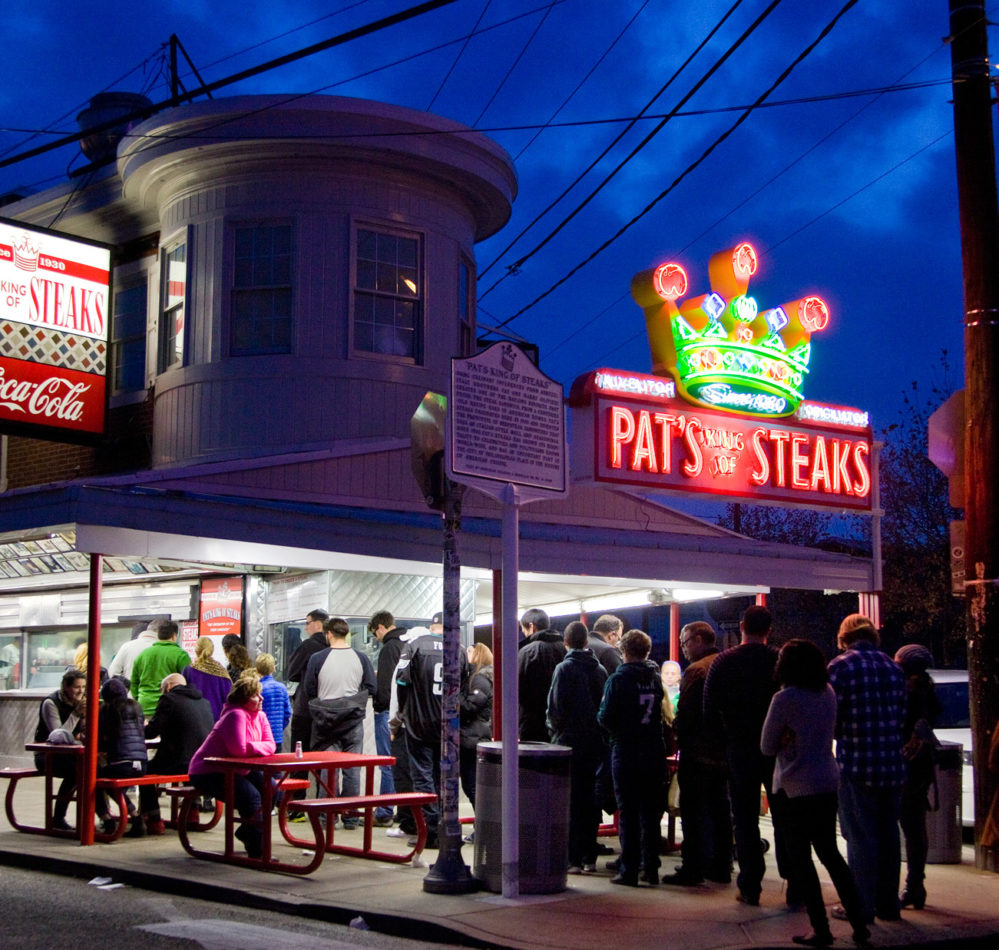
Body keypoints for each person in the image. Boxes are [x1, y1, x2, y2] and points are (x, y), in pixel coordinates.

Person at [762, 639, 871, 949]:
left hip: (794, 787)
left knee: (802, 861)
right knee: (832, 856)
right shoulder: (828, 693)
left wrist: (785, 738)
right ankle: (859, 923)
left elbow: (766, 746)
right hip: (826, 780)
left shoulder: (784, 699)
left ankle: (820, 929)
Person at [827, 614, 906, 925]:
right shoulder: (893, 666)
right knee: (889, 836)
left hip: (858, 762)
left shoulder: (840, 666)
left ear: (844, 637)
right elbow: (901, 714)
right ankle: (888, 904)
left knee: (860, 836)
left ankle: (861, 905)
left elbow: (832, 715)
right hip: (892, 763)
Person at [702, 604, 783, 906]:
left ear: (741, 627)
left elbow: (708, 711)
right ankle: (794, 877)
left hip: (740, 747)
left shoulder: (724, 661)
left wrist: (723, 743)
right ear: (769, 630)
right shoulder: (778, 659)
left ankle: (750, 884)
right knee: (783, 816)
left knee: (745, 817)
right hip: (775, 749)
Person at [663, 621, 732, 887]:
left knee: (693, 812)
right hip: (723, 753)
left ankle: (692, 869)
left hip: (698, 752)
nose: (683, 648)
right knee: (720, 810)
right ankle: (721, 865)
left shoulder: (697, 671)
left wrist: (677, 736)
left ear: (700, 639)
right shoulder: (726, 663)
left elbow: (687, 714)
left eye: (686, 641)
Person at [598, 629, 667, 887]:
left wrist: (616, 732)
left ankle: (628, 869)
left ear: (623, 651)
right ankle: (651, 868)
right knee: (651, 812)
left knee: (628, 811)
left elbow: (604, 716)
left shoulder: (618, 679)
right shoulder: (655, 678)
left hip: (626, 750)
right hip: (653, 750)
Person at [188, 671, 276, 859]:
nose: (261, 698)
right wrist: (257, 747)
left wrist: (251, 746)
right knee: (251, 797)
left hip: (238, 769)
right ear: (243, 698)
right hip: (208, 771)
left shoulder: (260, 716)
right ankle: (256, 848)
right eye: (255, 695)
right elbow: (239, 750)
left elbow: (272, 745)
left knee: (273, 790)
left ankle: (247, 831)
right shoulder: (235, 715)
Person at [395, 622, 468, 849]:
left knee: (422, 776)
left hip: (419, 722)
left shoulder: (415, 646)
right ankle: (447, 827)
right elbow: (464, 685)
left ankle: (431, 831)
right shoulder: (460, 649)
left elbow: (401, 680)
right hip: (447, 723)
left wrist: (403, 710)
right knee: (444, 777)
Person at [303, 617, 376, 829]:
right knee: (352, 769)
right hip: (353, 721)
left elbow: (309, 689)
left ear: (328, 634)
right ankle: (351, 817)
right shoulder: (361, 658)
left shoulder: (318, 658)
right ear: (346, 634)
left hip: (326, 721)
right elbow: (372, 687)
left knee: (329, 769)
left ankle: (328, 816)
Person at [547, 620, 607, 874]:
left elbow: (555, 708)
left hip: (568, 743)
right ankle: (589, 856)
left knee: (569, 800)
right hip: (594, 744)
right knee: (590, 799)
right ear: (586, 642)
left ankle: (572, 858)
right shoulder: (601, 670)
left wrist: (554, 730)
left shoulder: (563, 669)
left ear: (566, 642)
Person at [132, 671, 213, 837]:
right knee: (185, 763)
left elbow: (151, 732)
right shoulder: (204, 702)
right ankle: (192, 812)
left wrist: (141, 727)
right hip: (201, 763)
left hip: (178, 762)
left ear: (168, 687)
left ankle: (154, 819)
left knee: (144, 772)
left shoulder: (169, 700)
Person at [894, 643, 941, 911]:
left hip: (904, 763)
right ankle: (915, 884)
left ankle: (909, 887)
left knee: (900, 825)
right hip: (921, 766)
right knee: (915, 828)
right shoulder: (928, 690)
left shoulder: (908, 691)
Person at [33, 669, 86, 831]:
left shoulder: (83, 701)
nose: (81, 691)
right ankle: (58, 817)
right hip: (46, 755)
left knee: (95, 769)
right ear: (65, 686)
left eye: (83, 687)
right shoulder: (51, 703)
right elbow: (58, 735)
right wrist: (77, 714)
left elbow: (84, 732)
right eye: (77, 687)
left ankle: (104, 815)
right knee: (76, 773)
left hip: (72, 753)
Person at [369, 610, 407, 827]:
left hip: (387, 714)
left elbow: (384, 687)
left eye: (375, 633)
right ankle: (402, 812)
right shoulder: (407, 645)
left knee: (386, 763)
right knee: (401, 764)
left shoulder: (388, 649)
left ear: (381, 627)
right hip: (406, 714)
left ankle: (384, 811)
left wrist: (379, 707)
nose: (376, 637)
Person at [95, 676, 148, 833]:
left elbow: (100, 737)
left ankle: (107, 819)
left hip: (120, 764)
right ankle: (135, 817)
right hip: (142, 764)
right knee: (106, 780)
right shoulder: (136, 707)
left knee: (91, 780)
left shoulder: (106, 709)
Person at [286, 609, 330, 762]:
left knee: (299, 759)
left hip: (305, 709)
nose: (305, 627)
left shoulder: (307, 646)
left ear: (318, 624)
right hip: (327, 711)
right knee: (323, 761)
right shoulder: (333, 648)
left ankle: (298, 786)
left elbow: (291, 672)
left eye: (307, 623)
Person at [517, 608, 566, 741]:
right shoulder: (565, 649)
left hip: (532, 723)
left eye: (523, 629)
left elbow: (517, 689)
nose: (523, 632)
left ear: (531, 626)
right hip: (560, 724)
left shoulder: (527, 652)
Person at [130, 620, 191, 719]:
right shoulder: (181, 655)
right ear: (174, 636)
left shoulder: (143, 654)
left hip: (144, 707)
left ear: (157, 635)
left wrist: (139, 698)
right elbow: (188, 682)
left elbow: (133, 682)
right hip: (170, 708)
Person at [459, 641, 493, 811]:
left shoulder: (479, 679)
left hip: (473, 737)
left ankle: (481, 826)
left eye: (469, 651)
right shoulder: (484, 677)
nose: (466, 655)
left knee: (471, 784)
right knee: (472, 784)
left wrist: (454, 696)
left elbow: (471, 706)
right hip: (477, 736)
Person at [183, 636, 232, 720]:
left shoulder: (188, 671)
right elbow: (229, 699)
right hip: (217, 719)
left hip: (194, 718)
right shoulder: (221, 671)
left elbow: (182, 697)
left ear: (196, 650)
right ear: (212, 650)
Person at [255, 652, 292, 749]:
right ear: (274, 668)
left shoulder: (257, 688)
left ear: (257, 670)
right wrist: (279, 728)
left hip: (260, 737)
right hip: (277, 736)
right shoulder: (282, 688)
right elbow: (287, 713)